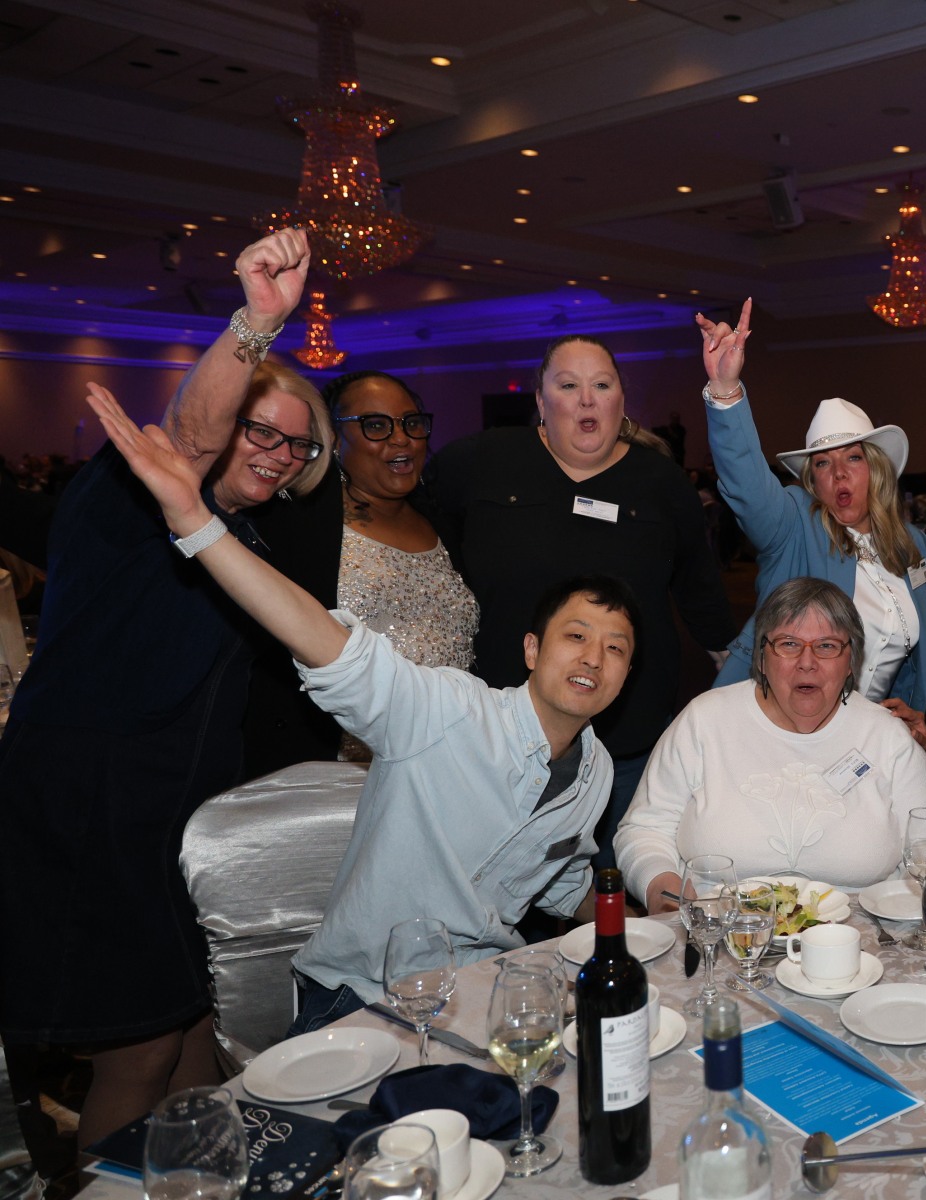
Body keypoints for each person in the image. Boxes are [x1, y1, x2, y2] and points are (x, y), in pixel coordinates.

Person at [83, 381, 633, 1026]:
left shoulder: (594, 771)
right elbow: (323, 640)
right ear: (532, 650)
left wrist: (647, 918)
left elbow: (560, 876)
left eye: (616, 649)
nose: (593, 659)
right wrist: (196, 524)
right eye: (576, 637)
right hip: (365, 996)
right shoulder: (448, 713)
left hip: (483, 994)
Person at [0, 229, 329, 1144]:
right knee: (140, 1049)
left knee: (190, 1037)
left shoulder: (243, 543)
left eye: (298, 447)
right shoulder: (135, 496)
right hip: (86, 814)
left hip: (176, 824)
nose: (277, 454)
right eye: (260, 430)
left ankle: (190, 1178)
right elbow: (188, 435)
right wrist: (256, 322)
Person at [417, 334, 736, 869]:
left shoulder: (660, 482)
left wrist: (742, 683)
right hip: (499, 741)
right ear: (541, 402)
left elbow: (701, 593)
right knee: (491, 885)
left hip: (628, 738)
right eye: (568, 386)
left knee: (619, 881)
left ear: (621, 400)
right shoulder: (479, 462)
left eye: (602, 385)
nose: (587, 400)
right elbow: (424, 543)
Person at [617, 576, 926, 912]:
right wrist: (663, 888)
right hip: (719, 925)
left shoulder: (887, 737)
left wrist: (898, 916)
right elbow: (644, 830)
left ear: (851, 662)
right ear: (762, 658)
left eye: (827, 646)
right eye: (789, 644)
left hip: (858, 933)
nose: (807, 661)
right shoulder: (705, 721)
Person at [693, 301, 926, 713]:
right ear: (812, 481)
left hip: (867, 731)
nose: (839, 473)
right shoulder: (795, 525)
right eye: (822, 464)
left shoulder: (913, 545)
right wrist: (726, 391)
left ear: (876, 469)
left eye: (853, 458)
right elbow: (747, 484)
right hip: (777, 718)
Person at [244, 370, 477, 772]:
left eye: (411, 423)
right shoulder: (294, 522)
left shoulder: (445, 525)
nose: (401, 438)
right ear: (334, 439)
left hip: (443, 762)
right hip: (334, 768)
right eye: (376, 425)